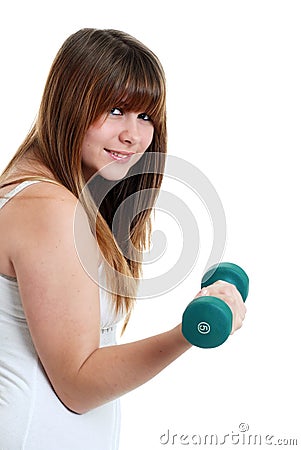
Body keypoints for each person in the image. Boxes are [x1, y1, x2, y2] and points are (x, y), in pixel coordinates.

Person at [0, 28, 246, 449]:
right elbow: (77, 383)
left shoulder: (40, 193)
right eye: (116, 110)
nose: (134, 135)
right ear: (69, 103)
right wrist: (187, 333)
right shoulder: (48, 207)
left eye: (146, 115)